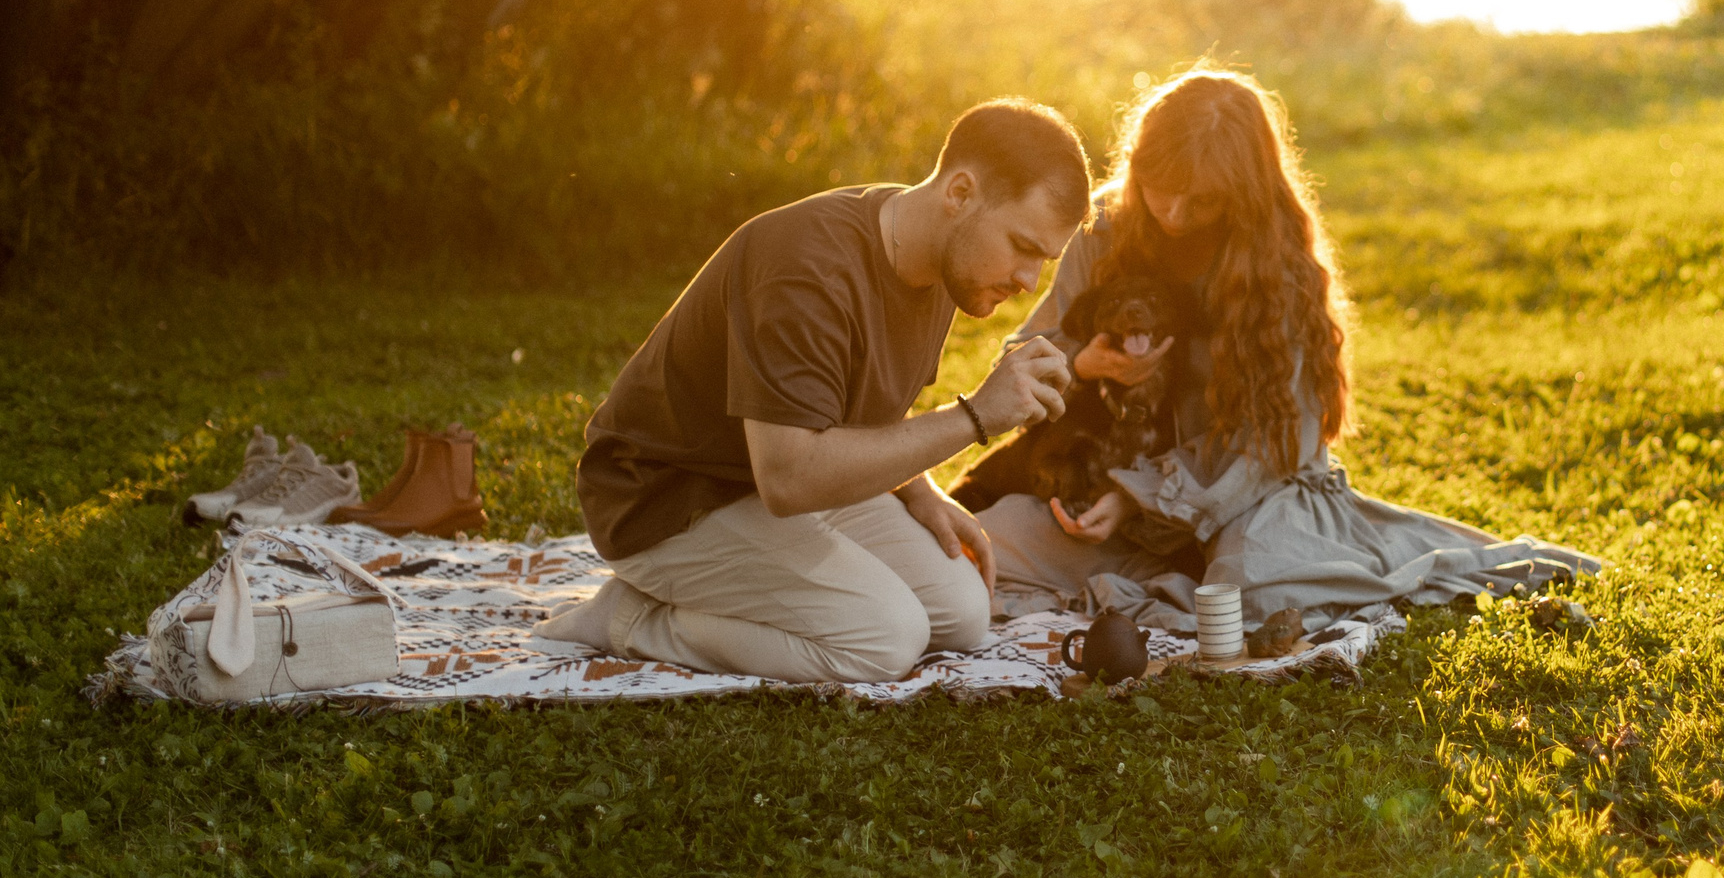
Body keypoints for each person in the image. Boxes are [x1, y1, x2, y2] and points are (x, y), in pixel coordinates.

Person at [979, 70, 1596, 632]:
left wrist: (1138, 497)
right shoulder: (1106, 228)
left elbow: (1273, 445)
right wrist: (1085, 364)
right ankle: (1167, 582)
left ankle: (1198, 580)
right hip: (1114, 485)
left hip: (1246, 495)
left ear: (1242, 193)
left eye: (1201, 199)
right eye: (1159, 187)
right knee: (991, 543)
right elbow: (1025, 353)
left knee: (1247, 588)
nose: (1171, 212)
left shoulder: (1277, 267)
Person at [542, 100, 1088, 683]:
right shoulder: (806, 266)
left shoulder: (936, 255)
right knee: (886, 639)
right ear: (959, 193)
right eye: (1024, 247)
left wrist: (921, 492)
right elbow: (788, 477)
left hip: (775, 479)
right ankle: (632, 618)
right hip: (670, 498)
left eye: (1044, 260)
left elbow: (864, 403)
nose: (1030, 281)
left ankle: (731, 593)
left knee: (961, 614)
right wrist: (975, 417)